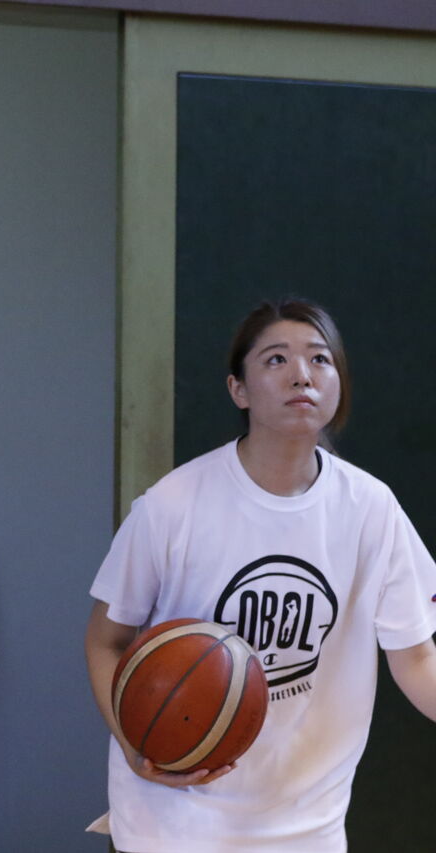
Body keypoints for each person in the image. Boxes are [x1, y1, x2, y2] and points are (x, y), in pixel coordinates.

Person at [85, 298, 436, 852]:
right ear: (238, 390)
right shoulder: (172, 506)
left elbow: (416, 658)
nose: (302, 374)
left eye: (320, 359)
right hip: (175, 824)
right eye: (276, 359)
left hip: (308, 829)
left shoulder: (372, 508)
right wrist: (136, 745)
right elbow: (106, 639)